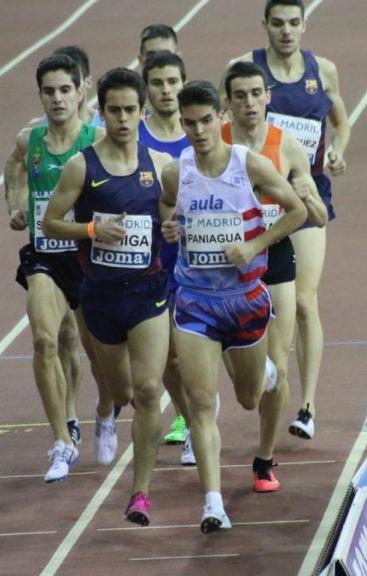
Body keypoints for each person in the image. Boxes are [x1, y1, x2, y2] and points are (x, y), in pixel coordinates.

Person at [159, 80, 307, 532]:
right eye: (189, 123)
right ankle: (213, 503)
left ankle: (260, 373)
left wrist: (255, 244)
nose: (199, 131)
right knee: (201, 403)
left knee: (247, 399)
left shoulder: (249, 165)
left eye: (206, 121)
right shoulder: (175, 171)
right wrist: (171, 227)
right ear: (181, 123)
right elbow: (169, 206)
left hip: (244, 301)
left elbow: (298, 211)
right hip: (195, 303)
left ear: (221, 117)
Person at [43, 67, 174, 527]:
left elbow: (172, 214)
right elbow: (51, 223)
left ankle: (139, 494)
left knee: (148, 391)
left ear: (143, 111)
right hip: (99, 297)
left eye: (130, 110)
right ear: (102, 111)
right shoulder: (83, 164)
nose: (122, 118)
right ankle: (102, 409)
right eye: (114, 110)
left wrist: (173, 227)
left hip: (148, 295)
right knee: (119, 391)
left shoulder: (158, 164)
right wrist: (94, 229)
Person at [229, 0, 351, 440]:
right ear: (264, 25)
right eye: (277, 23)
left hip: (305, 193)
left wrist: (338, 150)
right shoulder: (245, 68)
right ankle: (269, 368)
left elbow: (341, 121)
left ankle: (307, 406)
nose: (286, 31)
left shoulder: (324, 71)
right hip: (252, 203)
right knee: (258, 303)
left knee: (303, 301)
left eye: (293, 24)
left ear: (304, 25)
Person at [221, 60, 327, 493]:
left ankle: (264, 459)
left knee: (279, 370)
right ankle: (251, 378)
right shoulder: (215, 143)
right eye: (239, 96)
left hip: (275, 258)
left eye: (255, 94)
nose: (249, 102)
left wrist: (306, 195)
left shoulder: (287, 147)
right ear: (227, 103)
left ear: (268, 96)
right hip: (225, 263)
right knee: (248, 393)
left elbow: (318, 217)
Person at [7, 46, 115, 458]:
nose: (57, 98)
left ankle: (104, 409)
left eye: (65, 89)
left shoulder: (98, 139)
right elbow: (12, 165)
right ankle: (63, 431)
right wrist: (14, 203)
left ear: (79, 92)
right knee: (46, 341)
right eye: (49, 91)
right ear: (40, 95)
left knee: (95, 351)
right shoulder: (28, 140)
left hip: (88, 256)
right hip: (45, 255)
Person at [138, 50, 195, 461]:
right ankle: (193, 422)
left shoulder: (203, 130)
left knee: (200, 345)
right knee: (170, 355)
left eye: (173, 81)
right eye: (157, 83)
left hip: (204, 255)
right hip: (155, 257)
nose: (166, 90)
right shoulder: (136, 136)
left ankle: (200, 415)